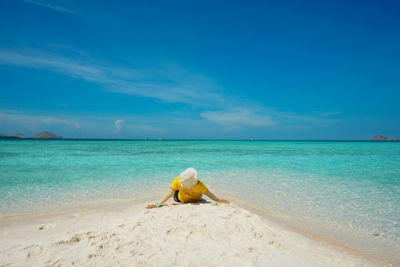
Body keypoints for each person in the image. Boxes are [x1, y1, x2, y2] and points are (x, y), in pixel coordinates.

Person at [146, 168, 230, 208]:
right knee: (202, 192)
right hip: (197, 199)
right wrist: (219, 200)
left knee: (173, 192)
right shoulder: (200, 185)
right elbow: (210, 194)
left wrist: (158, 204)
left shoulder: (177, 180)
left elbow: (169, 193)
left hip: (179, 199)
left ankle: (178, 190)